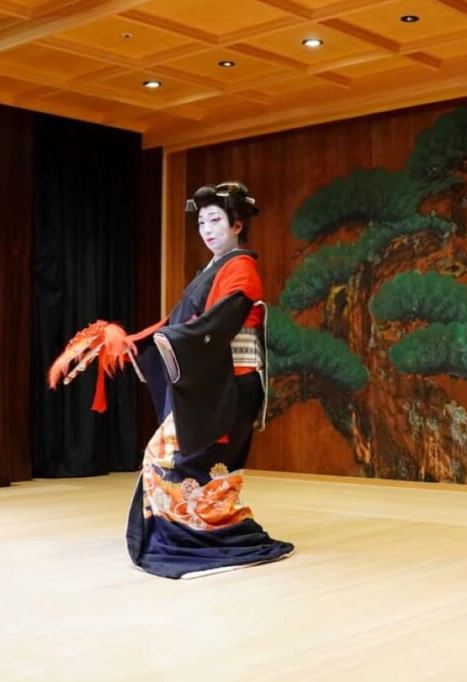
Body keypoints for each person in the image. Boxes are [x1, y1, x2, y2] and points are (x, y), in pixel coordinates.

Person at [118, 181, 294, 578]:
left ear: (237, 226)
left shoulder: (240, 268)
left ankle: (202, 531)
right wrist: (143, 341)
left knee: (188, 458)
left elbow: (216, 324)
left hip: (231, 382)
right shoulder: (212, 269)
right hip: (215, 377)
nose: (207, 229)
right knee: (173, 457)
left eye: (216, 220)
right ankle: (198, 527)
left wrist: (172, 341)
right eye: (201, 222)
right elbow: (178, 320)